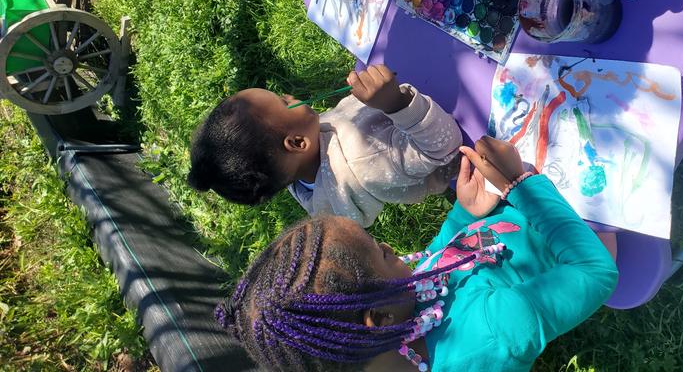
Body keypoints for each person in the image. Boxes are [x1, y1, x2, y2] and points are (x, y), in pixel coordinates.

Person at [216, 135, 618, 371]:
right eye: (383, 253)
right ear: (378, 319)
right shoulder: (492, 334)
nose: (392, 249)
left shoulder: (393, 311)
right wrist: (521, 184)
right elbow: (597, 271)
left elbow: (433, 262)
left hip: (518, 221)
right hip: (578, 241)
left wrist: (463, 214)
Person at [188, 65, 462, 227]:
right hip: (459, 133)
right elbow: (442, 146)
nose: (288, 95)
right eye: (284, 102)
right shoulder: (365, 160)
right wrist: (395, 104)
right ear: (297, 143)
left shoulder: (300, 172)